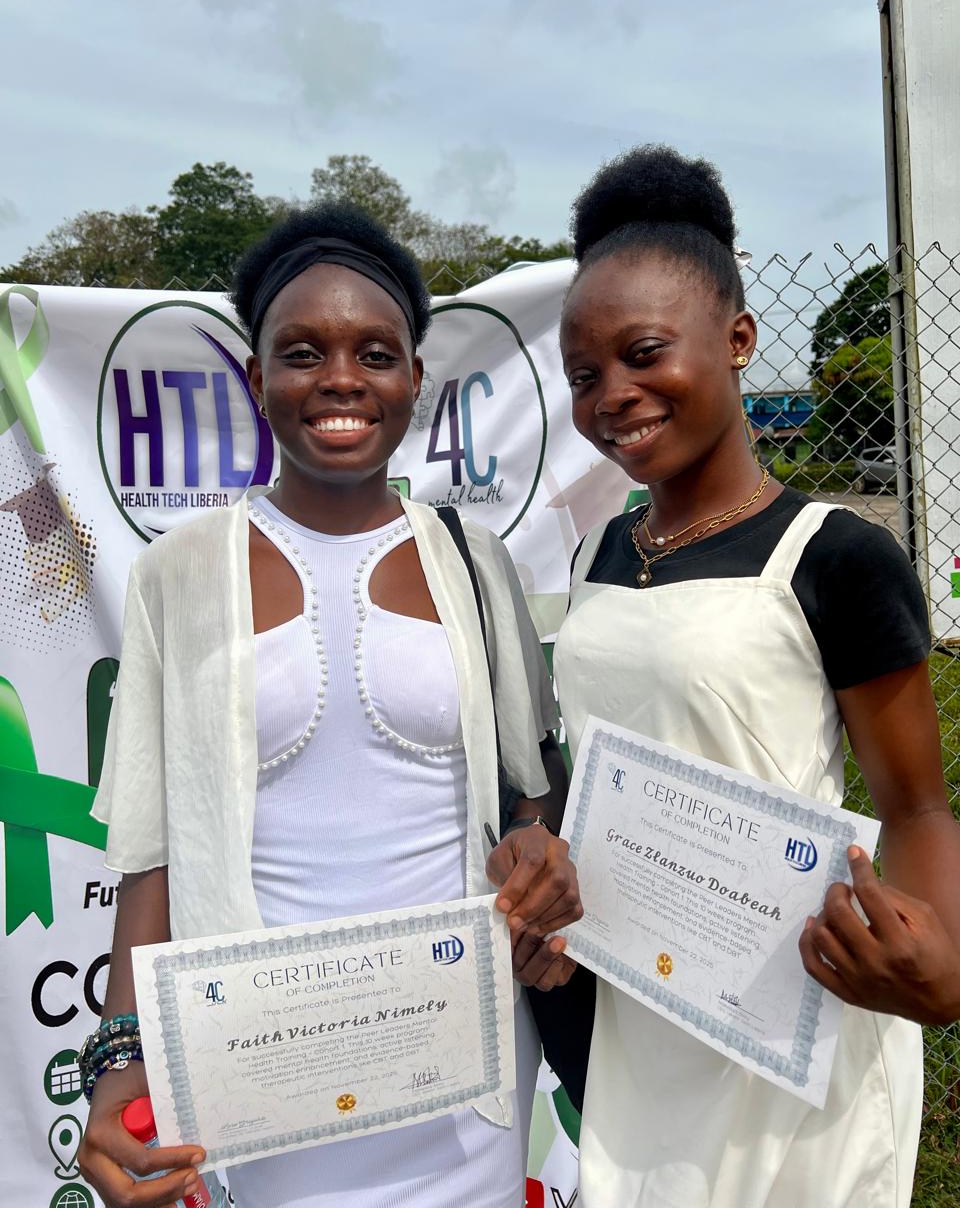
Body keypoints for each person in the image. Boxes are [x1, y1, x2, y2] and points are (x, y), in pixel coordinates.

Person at [78, 200, 581, 1208]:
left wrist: (540, 854)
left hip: (459, 1067)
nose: (342, 379)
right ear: (257, 379)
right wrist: (122, 1056)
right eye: (303, 352)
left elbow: (530, 799)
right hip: (259, 1076)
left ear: (414, 381)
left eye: (376, 353)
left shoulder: (477, 567)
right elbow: (153, 852)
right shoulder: (177, 575)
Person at [551, 145, 960, 1208]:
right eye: (585, 374)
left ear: (738, 338)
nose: (614, 397)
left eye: (645, 353)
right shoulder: (602, 549)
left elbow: (915, 801)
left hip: (792, 1011)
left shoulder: (833, 556)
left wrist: (941, 959)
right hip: (640, 1000)